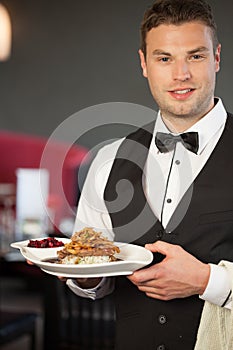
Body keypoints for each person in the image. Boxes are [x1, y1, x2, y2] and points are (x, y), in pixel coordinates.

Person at [65, 0, 233, 349]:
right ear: (144, 64)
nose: (180, 74)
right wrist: (82, 274)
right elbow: (91, 281)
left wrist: (207, 280)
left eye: (196, 56)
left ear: (217, 58)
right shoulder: (108, 159)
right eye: (164, 58)